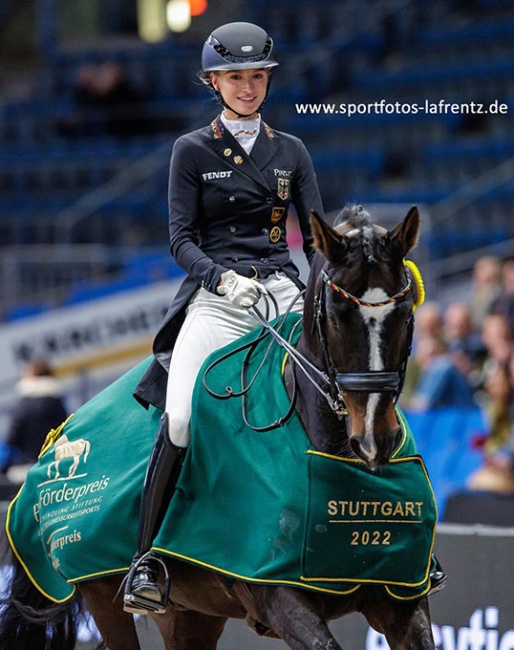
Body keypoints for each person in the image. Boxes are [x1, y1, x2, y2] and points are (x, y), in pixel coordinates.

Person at [123, 22, 324, 614]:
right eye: (235, 77)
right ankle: (146, 561)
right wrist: (221, 278)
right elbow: (180, 239)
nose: (247, 87)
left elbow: (316, 241)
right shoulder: (192, 150)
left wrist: (325, 290)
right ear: (215, 81)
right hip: (220, 297)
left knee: (345, 385)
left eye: (256, 77)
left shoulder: (292, 151)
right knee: (182, 416)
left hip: (282, 292)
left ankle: (402, 539)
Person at [3, 359, 67, 484]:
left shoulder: (24, 404)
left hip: (25, 469)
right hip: (53, 466)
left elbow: (12, 438)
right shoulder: (57, 402)